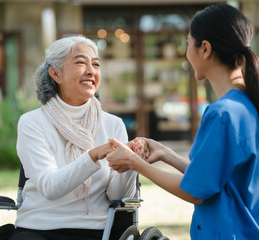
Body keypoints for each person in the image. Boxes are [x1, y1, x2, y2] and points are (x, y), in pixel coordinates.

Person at [106, 3, 259, 239]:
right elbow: (214, 181)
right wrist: (166, 154)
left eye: (188, 43)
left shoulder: (223, 114)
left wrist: (136, 164)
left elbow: (196, 192)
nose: (186, 53)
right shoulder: (246, 106)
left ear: (205, 49)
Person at [9, 35, 137, 240]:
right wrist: (93, 155)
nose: (91, 71)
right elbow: (50, 187)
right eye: (80, 62)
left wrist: (131, 162)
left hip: (96, 231)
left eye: (96, 64)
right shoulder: (32, 122)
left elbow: (118, 196)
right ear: (56, 74)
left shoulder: (113, 124)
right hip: (38, 229)